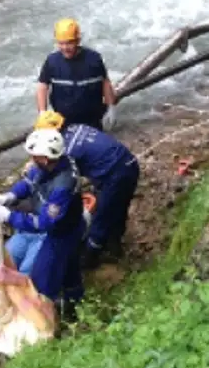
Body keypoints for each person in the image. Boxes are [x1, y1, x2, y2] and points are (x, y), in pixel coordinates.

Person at [0, 128, 87, 319]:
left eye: (35, 156)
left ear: (45, 159)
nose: (32, 160)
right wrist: (11, 195)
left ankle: (43, 320)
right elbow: (31, 181)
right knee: (69, 268)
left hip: (62, 233)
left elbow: (44, 223)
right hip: (67, 226)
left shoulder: (63, 185)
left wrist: (9, 217)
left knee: (42, 281)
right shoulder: (52, 164)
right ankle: (75, 304)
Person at [34, 111, 140, 269]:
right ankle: (114, 244)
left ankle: (90, 257)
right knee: (119, 208)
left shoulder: (67, 150)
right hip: (128, 163)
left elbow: (62, 177)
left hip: (114, 176)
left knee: (102, 217)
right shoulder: (76, 127)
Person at [35, 18, 118, 131]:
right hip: (63, 123)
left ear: (78, 40)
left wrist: (111, 107)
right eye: (61, 43)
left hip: (92, 121)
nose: (65, 47)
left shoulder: (94, 59)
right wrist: (42, 112)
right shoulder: (52, 61)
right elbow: (42, 86)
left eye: (69, 43)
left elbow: (105, 82)